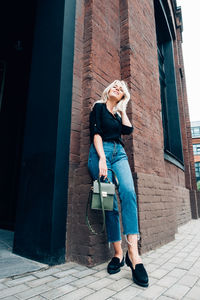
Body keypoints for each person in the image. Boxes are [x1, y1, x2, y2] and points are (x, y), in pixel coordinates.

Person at [88, 80, 149, 287]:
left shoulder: (117, 114)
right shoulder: (98, 107)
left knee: (129, 193)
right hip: (100, 153)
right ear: (108, 90)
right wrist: (102, 159)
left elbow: (128, 130)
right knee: (109, 203)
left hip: (119, 153)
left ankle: (134, 253)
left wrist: (122, 107)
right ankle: (117, 253)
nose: (117, 89)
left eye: (121, 89)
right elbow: (95, 132)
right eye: (115, 86)